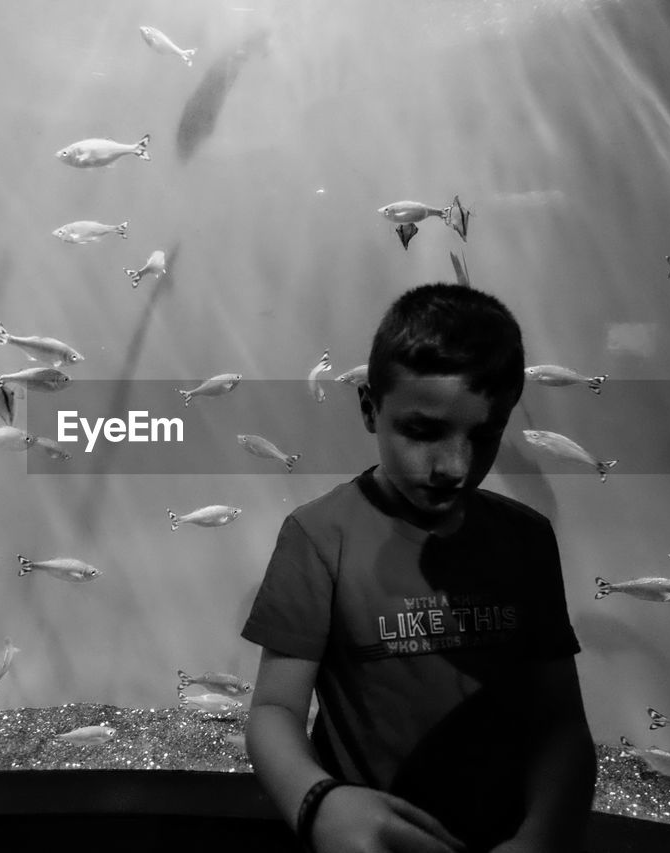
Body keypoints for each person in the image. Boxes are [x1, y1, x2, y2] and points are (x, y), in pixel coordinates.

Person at [242, 282, 596, 853]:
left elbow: (560, 722)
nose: (453, 467)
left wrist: (543, 834)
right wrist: (319, 804)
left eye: (483, 436)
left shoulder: (527, 539)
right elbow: (275, 708)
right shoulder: (317, 537)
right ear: (369, 408)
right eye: (424, 432)